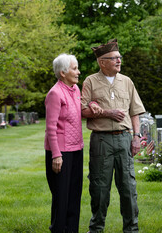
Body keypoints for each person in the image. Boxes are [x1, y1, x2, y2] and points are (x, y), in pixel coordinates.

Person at [81, 39, 145, 233]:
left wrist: (136, 137)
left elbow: (135, 111)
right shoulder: (90, 81)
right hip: (101, 141)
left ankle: (131, 229)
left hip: (125, 139)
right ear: (102, 62)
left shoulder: (126, 81)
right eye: (114, 58)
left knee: (128, 188)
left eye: (119, 57)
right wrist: (106, 113)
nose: (119, 61)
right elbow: (83, 109)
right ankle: (96, 229)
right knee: (100, 189)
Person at [44, 53, 84, 233]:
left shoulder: (76, 90)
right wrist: (56, 155)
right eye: (74, 69)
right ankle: (58, 229)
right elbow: (50, 128)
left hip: (77, 150)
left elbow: (79, 111)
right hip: (60, 153)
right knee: (61, 198)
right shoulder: (55, 93)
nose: (78, 72)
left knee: (74, 196)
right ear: (63, 73)